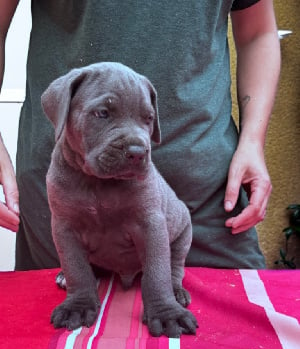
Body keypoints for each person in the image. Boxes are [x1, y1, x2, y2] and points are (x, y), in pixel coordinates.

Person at [0, 0, 280, 270]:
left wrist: (253, 142)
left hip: (204, 204)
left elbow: (258, 33)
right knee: (67, 313)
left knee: (233, 317)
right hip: (70, 205)